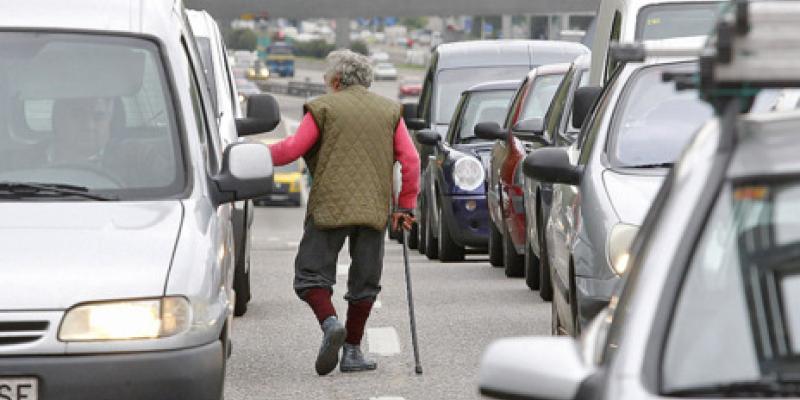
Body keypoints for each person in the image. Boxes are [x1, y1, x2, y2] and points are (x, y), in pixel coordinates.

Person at [268, 49, 420, 376]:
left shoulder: (324, 107)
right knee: (365, 281)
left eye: (326, 78)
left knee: (310, 275)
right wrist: (405, 206)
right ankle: (352, 351)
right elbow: (411, 161)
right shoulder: (389, 111)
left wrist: (253, 153)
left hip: (329, 206)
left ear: (336, 80)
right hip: (373, 209)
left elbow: (291, 149)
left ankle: (330, 322)